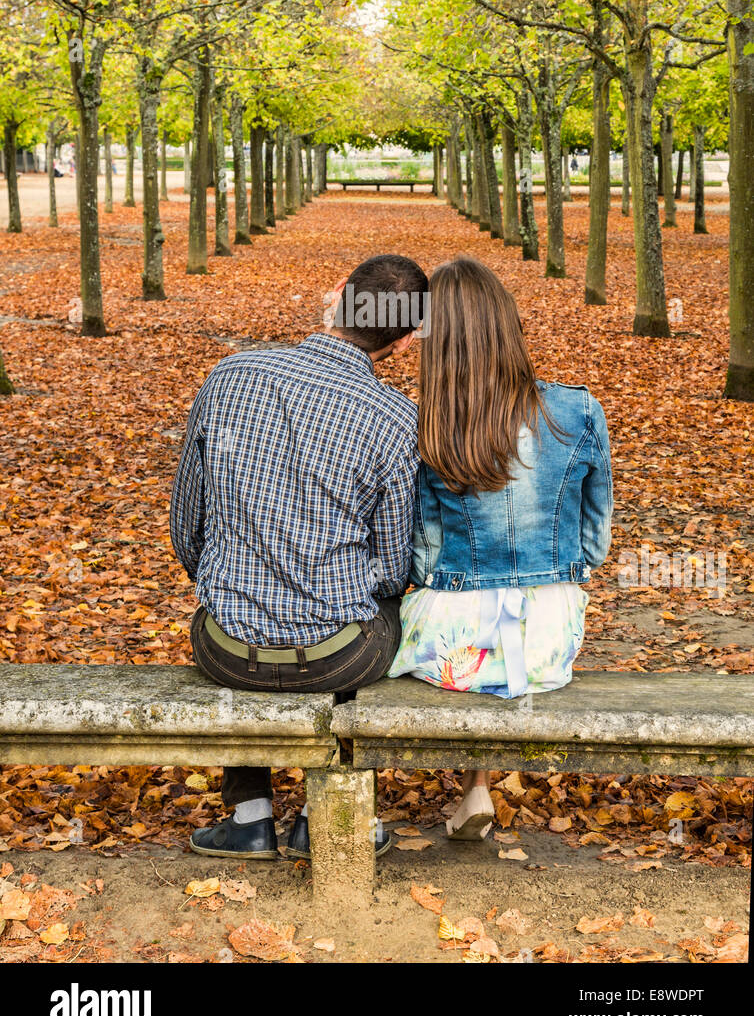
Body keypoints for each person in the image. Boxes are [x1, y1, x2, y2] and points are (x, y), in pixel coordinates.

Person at [170, 253, 429, 861]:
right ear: (407, 338)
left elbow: (188, 527)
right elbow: (394, 571)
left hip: (227, 652)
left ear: (337, 292)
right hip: (339, 658)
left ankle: (250, 815)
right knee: (380, 612)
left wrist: (242, 583)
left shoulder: (230, 377)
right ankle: (323, 817)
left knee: (232, 600)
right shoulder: (397, 421)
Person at [388, 256, 613, 841]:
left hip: (452, 649)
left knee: (433, 622)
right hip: (546, 646)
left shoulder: (426, 427)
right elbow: (595, 544)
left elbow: (423, 559)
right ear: (507, 324)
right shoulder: (581, 410)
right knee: (506, 631)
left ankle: (474, 789)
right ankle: (478, 788)